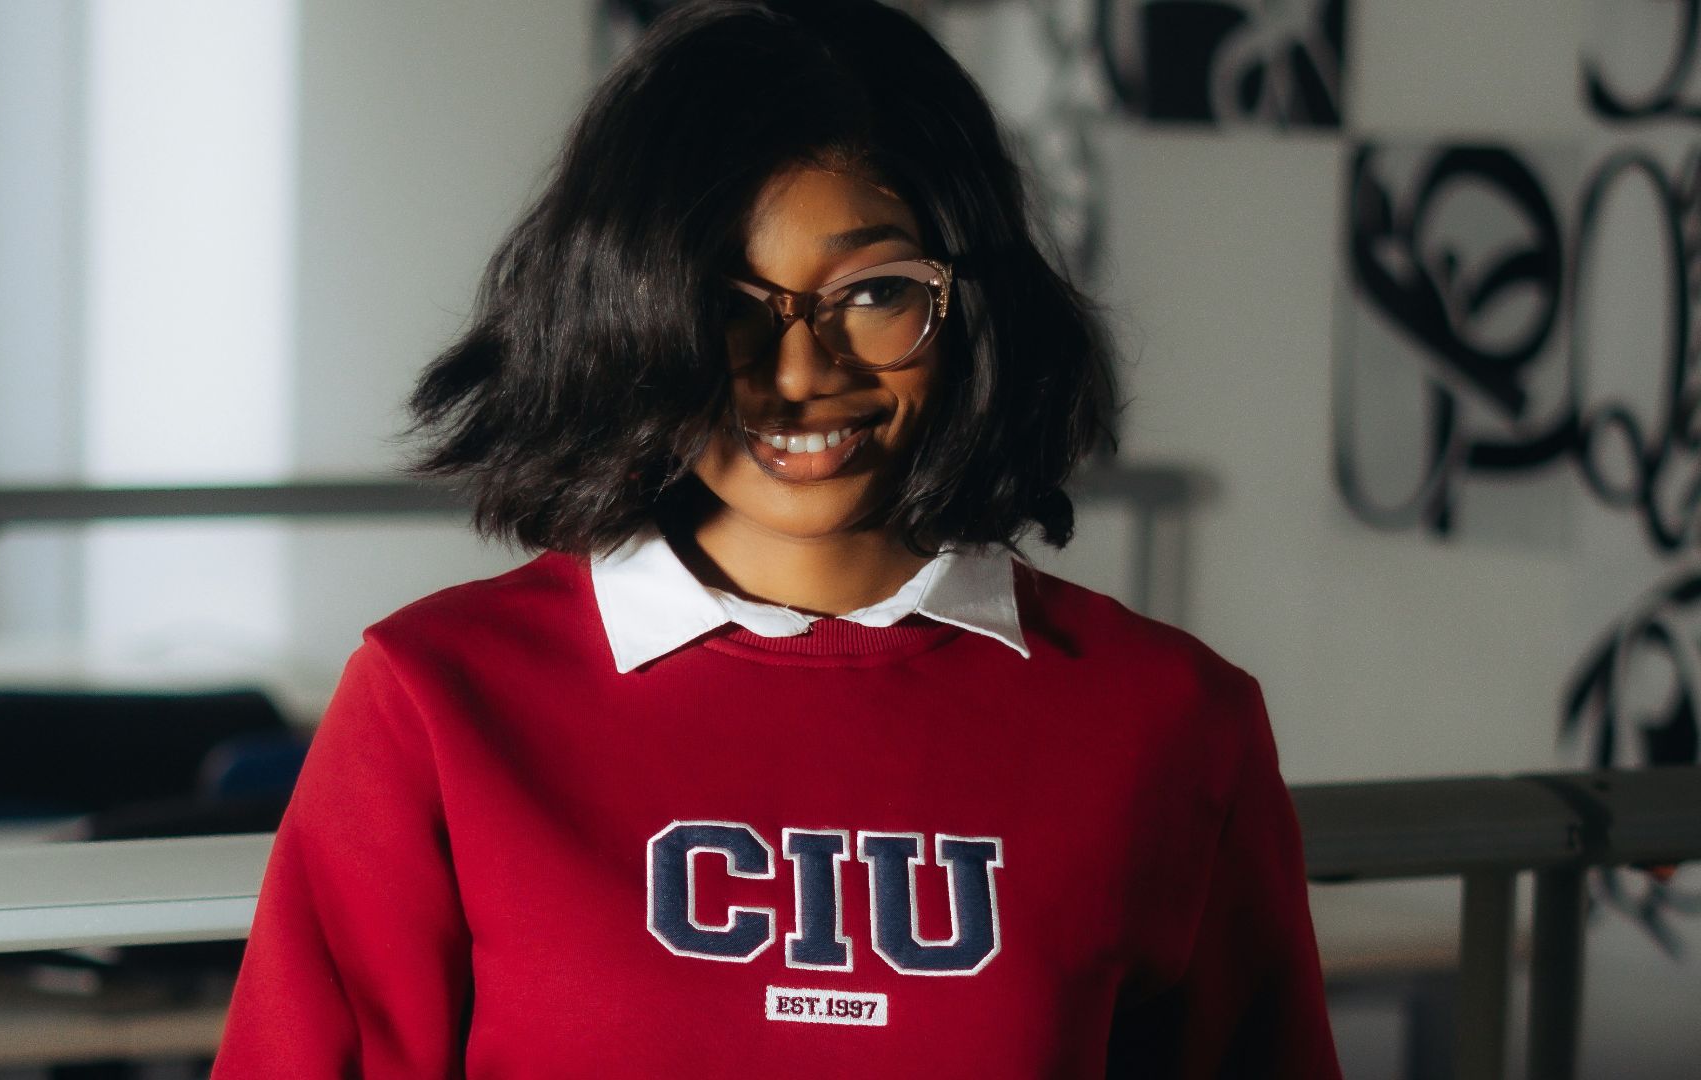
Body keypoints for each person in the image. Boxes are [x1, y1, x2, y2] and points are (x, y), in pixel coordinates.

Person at [212, 1, 1341, 1076]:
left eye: (872, 292)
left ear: (972, 305)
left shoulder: (1171, 720)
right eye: (726, 302)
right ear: (624, 316)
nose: (800, 373)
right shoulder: (436, 704)